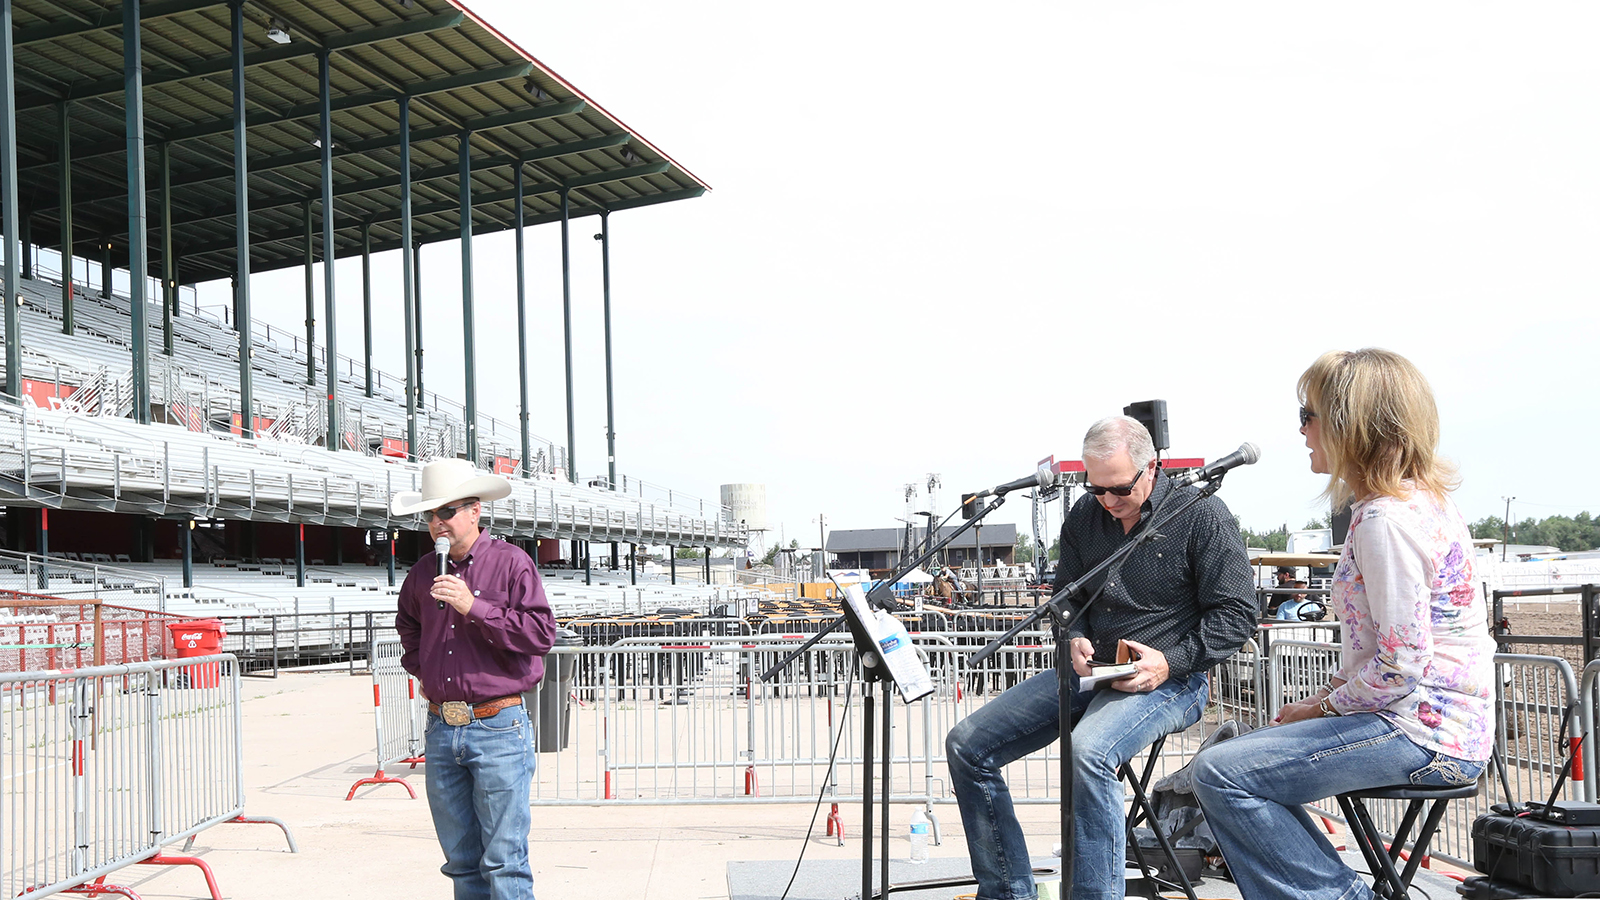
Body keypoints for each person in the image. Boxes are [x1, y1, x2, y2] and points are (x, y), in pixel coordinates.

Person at [1192, 349, 1495, 899]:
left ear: (1353, 427)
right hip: (1439, 725)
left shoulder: (1386, 521)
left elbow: (1401, 667)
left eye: (1309, 415)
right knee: (1240, 767)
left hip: (1424, 734)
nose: (1302, 430)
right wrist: (1329, 695)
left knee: (1221, 772)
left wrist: (1317, 707)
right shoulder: (1419, 502)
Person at [946, 416, 1256, 900]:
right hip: (1090, 672)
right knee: (966, 744)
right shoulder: (1084, 517)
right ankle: (1007, 892)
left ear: (1152, 468)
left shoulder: (1203, 514)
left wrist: (1168, 662)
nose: (1108, 501)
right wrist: (1072, 635)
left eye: (1119, 489)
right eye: (1097, 490)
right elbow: (1066, 599)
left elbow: (1237, 615)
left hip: (1174, 680)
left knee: (1088, 751)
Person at [393, 458, 557, 900]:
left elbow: (541, 634)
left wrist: (475, 607)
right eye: (430, 515)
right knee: (461, 862)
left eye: (446, 512)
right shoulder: (423, 571)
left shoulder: (512, 564)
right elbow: (407, 625)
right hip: (443, 728)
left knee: (504, 861)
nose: (436, 523)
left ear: (474, 511)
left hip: (498, 725)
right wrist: (423, 670)